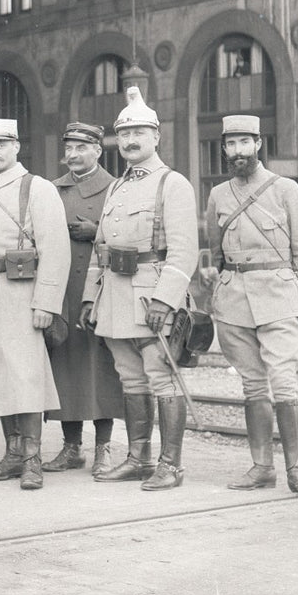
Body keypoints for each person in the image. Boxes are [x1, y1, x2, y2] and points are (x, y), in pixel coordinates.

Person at [80, 89, 199, 490]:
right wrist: (89, 297)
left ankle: (170, 465)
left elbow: (183, 252)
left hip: (152, 299)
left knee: (161, 379)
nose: (130, 141)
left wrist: (166, 301)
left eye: (139, 134)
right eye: (124, 134)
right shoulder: (117, 187)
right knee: (131, 381)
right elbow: (100, 250)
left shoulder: (173, 183)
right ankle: (137, 459)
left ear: (156, 137)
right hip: (114, 298)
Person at [203, 113, 298, 497]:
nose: (237, 151)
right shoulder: (218, 195)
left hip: (278, 298)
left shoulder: (285, 189)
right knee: (253, 386)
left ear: (258, 144)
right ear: (223, 149)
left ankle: (296, 472)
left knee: (284, 385)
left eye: (244, 143)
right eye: (230, 144)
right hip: (233, 301)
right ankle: (261, 468)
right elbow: (215, 248)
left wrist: (295, 291)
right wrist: (214, 280)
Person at [0, 118, 70, 491]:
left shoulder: (36, 188)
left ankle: (32, 459)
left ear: (17, 146)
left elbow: (56, 250)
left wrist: (47, 303)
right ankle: (11, 454)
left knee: (26, 378)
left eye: (1, 144)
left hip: (23, 297)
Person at [44, 121, 123, 476]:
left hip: (100, 290)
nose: (73, 155)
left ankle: (103, 447)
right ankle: (71, 447)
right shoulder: (51, 190)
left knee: (102, 369)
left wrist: (97, 234)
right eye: (69, 148)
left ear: (97, 150)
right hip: (62, 292)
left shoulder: (115, 188)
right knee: (65, 367)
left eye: (82, 148)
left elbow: (128, 237)